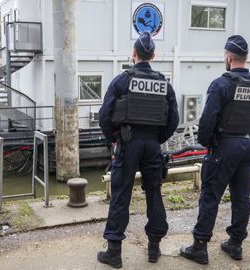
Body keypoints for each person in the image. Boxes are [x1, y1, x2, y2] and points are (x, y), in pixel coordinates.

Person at [179, 35, 250, 265]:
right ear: (245, 58)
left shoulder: (221, 84)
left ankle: (199, 247)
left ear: (228, 57)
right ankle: (235, 244)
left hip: (224, 146)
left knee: (210, 196)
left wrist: (208, 143)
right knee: (242, 197)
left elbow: (208, 120)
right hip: (248, 145)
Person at [97, 31, 179, 268]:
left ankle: (114, 253)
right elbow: (173, 120)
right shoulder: (164, 83)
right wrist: (156, 138)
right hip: (152, 145)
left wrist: (115, 138)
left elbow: (105, 116)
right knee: (154, 192)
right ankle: (154, 248)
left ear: (134, 54)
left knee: (121, 195)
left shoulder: (121, 81)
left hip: (127, 143)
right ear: (153, 55)